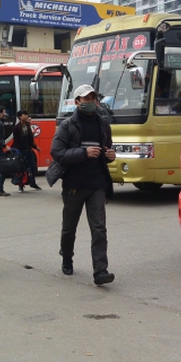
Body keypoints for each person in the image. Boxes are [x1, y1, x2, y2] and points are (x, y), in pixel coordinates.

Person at [50, 84, 116, 286]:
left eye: (93, 98)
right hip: (74, 185)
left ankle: (100, 271)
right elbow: (57, 153)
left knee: (99, 229)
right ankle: (67, 256)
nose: (90, 103)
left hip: (97, 184)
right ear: (77, 102)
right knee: (69, 228)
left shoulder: (103, 125)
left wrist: (110, 156)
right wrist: (83, 153)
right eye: (85, 99)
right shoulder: (67, 126)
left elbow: (107, 150)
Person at [12, 110, 42, 192]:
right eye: (24, 115)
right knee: (22, 169)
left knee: (32, 167)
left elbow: (30, 139)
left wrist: (35, 147)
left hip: (28, 150)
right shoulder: (17, 128)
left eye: (26, 114)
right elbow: (17, 141)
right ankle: (21, 185)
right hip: (21, 151)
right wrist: (19, 151)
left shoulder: (28, 125)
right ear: (20, 117)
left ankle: (33, 182)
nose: (26, 116)